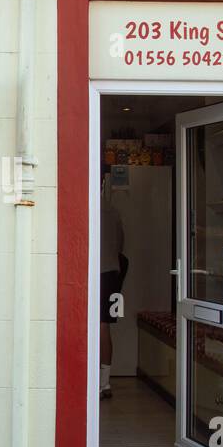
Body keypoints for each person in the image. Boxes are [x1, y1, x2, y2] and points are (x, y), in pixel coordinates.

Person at [99, 170, 126, 398]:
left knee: (94, 326)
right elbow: (120, 246)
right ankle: (104, 382)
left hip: (95, 273)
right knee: (104, 326)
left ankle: (93, 381)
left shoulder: (86, 206)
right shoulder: (114, 211)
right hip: (111, 273)